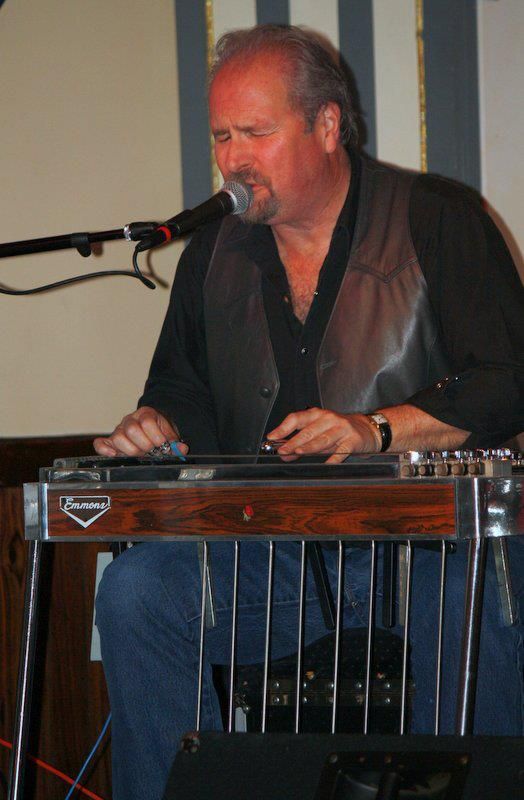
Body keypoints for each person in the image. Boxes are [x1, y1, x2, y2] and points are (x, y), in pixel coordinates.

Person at [94, 24, 524, 800]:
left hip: (432, 551)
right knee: (137, 595)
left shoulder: (437, 216)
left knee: (472, 601)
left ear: (327, 125)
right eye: (222, 135)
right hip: (278, 557)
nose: (233, 158)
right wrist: (155, 422)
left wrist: (375, 429)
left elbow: (509, 379)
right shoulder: (211, 253)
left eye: (255, 131)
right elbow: (182, 390)